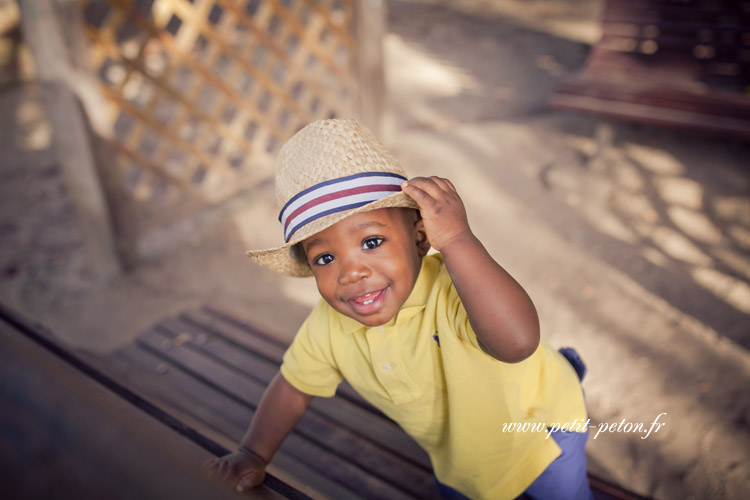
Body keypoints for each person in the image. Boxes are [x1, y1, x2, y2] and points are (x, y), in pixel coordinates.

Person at [205, 119, 592, 500]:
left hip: (542, 427)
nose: (351, 272)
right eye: (325, 258)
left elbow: (517, 343)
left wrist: (457, 239)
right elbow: (293, 385)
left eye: (372, 242)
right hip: (463, 459)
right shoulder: (328, 325)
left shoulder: (453, 290)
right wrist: (254, 452)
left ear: (421, 238)